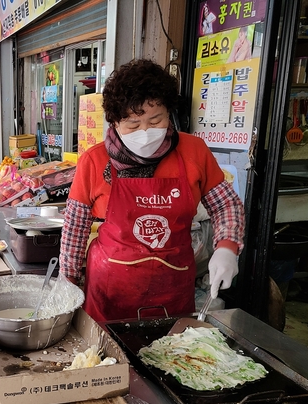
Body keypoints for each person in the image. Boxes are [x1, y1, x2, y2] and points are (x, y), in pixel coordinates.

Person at [59, 59, 244, 323]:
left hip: (172, 285)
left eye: (155, 120)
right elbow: (75, 225)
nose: (145, 131)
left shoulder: (193, 152)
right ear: (114, 124)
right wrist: (68, 278)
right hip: (110, 289)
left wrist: (227, 247)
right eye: (133, 125)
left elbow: (226, 204)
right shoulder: (95, 160)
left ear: (169, 113)